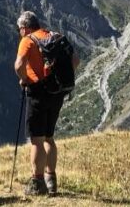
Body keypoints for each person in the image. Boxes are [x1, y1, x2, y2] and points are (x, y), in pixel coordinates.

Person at [13, 11, 79, 196]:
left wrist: (24, 79)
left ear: (25, 27)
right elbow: (75, 60)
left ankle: (38, 183)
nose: (20, 32)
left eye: (20, 29)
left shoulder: (28, 40)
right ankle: (52, 181)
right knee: (49, 137)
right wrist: (57, 80)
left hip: (38, 93)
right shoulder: (55, 37)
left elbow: (18, 66)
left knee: (36, 140)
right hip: (57, 93)